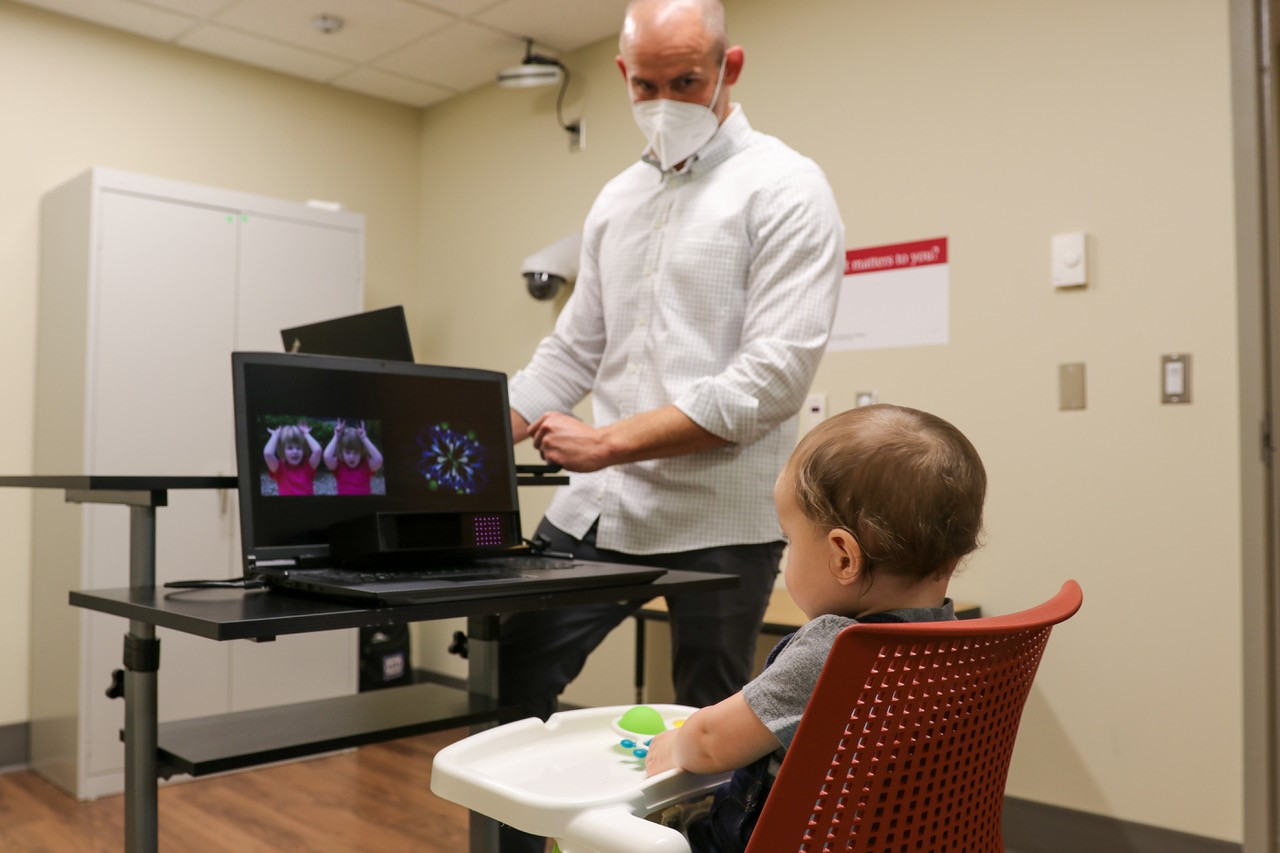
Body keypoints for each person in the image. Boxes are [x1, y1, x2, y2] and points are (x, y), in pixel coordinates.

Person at [499, 2, 843, 846]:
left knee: (709, 735)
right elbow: (569, 356)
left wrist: (609, 438)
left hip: (723, 518)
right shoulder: (616, 199)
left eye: (686, 80)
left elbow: (768, 381)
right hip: (603, 512)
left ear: (730, 67)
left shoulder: (786, 185)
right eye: (646, 84)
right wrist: (464, 435)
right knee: (512, 680)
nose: (665, 99)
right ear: (622, 75)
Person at [641, 404, 987, 852]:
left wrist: (673, 743)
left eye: (789, 538)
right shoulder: (957, 640)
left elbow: (710, 743)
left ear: (844, 557)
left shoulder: (839, 651)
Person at [323, 419, 384, 495]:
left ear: (361, 452)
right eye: (347, 452)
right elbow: (327, 456)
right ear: (341, 452)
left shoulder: (366, 466)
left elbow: (378, 460)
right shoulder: (339, 465)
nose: (352, 457)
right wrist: (336, 436)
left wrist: (364, 438)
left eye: (356, 452)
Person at [263, 422, 322, 496]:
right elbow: (268, 453)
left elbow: (318, 450)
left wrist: (306, 434)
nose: (295, 451)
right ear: (282, 450)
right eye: (290, 448)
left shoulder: (308, 466)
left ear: (303, 450)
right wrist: (275, 435)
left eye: (299, 448)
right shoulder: (279, 468)